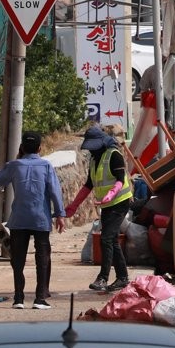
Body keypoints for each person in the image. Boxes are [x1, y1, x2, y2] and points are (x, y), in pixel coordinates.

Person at [0, 131, 66, 310]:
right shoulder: (46, 166)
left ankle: (18, 298)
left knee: (17, 259)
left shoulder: (14, 165)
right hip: (40, 218)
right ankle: (40, 297)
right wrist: (60, 214)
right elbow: (55, 192)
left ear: (22, 147)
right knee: (43, 257)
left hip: (19, 218)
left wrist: (13, 162)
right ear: (40, 148)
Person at [66, 125, 132, 291]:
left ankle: (103, 278)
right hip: (107, 204)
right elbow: (88, 185)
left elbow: (119, 179)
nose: (91, 150)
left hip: (120, 201)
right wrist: (74, 205)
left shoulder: (114, 155)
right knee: (111, 240)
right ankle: (123, 277)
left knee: (106, 239)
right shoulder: (95, 160)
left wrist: (111, 194)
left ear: (102, 142)